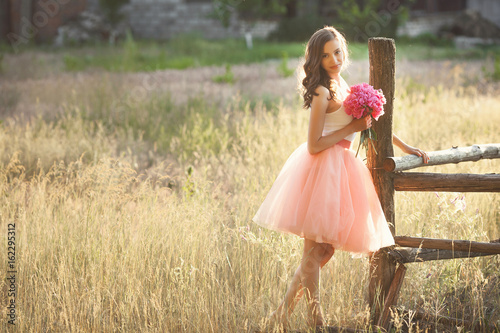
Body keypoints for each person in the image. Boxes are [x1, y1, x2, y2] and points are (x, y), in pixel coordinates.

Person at [253, 26, 429, 329]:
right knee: (316, 251)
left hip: (340, 169)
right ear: (316, 61)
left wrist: (405, 146)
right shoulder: (322, 92)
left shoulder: (341, 83)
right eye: (325, 55)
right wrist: (352, 129)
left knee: (323, 250)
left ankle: (281, 315)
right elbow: (314, 144)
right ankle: (315, 320)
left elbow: (367, 121)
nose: (333, 59)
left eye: (336, 51)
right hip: (321, 168)